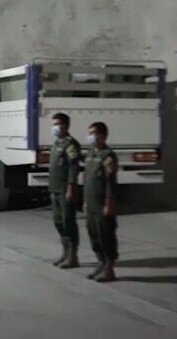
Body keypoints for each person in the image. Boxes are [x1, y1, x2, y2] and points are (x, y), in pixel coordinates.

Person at [83, 121, 119, 282]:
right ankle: (100, 264)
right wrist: (85, 201)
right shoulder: (90, 154)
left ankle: (109, 269)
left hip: (102, 203)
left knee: (106, 235)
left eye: (93, 134)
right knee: (94, 235)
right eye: (89, 133)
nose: (90, 137)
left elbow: (111, 181)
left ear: (102, 136)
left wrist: (109, 202)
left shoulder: (108, 155)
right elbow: (87, 179)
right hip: (91, 202)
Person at [48, 112, 82, 269]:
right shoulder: (57, 143)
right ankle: (65, 252)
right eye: (54, 124)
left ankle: (73, 256)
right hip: (54, 188)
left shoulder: (70, 145)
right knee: (58, 221)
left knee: (68, 221)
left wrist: (70, 187)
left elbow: (74, 167)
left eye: (58, 124)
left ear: (66, 126)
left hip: (65, 189)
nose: (55, 127)